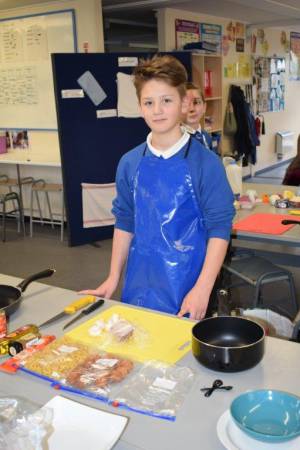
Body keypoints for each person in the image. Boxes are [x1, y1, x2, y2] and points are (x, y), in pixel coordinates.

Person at [80, 55, 235, 320]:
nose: (157, 110)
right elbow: (125, 222)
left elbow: (219, 229)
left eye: (166, 100)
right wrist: (113, 278)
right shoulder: (130, 163)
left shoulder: (205, 164)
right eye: (148, 102)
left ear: (184, 103)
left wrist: (202, 288)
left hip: (189, 286)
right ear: (140, 107)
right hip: (138, 286)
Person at [182, 82, 213, 150]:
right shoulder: (176, 142)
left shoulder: (206, 137)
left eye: (196, 102)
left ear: (204, 107)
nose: (192, 109)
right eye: (185, 104)